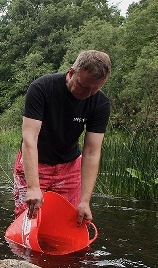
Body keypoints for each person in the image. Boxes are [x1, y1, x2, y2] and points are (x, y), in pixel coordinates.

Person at [13, 50, 112, 226]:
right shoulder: (42, 88)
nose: (88, 94)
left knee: (69, 222)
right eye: (83, 86)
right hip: (36, 162)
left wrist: (85, 201)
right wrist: (33, 187)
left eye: (95, 89)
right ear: (71, 72)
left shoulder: (100, 103)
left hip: (69, 166)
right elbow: (30, 139)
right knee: (28, 222)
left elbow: (91, 152)